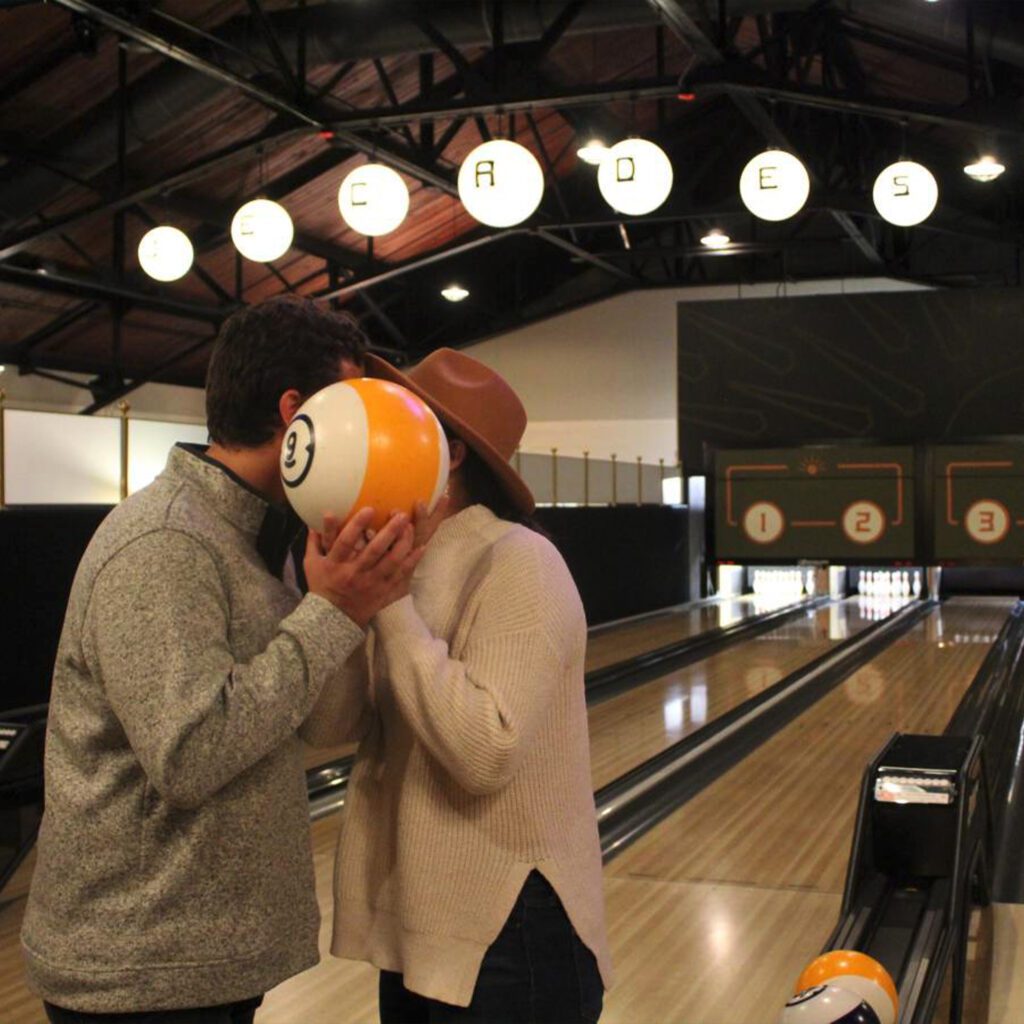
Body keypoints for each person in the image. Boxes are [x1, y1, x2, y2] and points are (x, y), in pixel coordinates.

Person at [21, 297, 425, 1023]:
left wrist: (349, 605)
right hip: (140, 971)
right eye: (354, 410)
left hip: (200, 963)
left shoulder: (256, 538)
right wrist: (333, 613)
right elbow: (191, 754)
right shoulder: (166, 543)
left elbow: (323, 724)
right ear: (296, 412)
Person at [304, 348, 612, 1023]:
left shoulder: (521, 562)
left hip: (513, 930)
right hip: (417, 930)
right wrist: (332, 602)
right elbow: (328, 727)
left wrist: (386, 607)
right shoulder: (393, 562)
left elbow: (485, 752)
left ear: (451, 453)